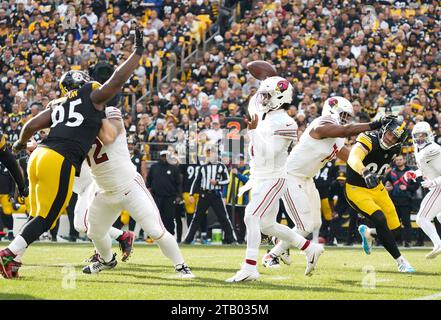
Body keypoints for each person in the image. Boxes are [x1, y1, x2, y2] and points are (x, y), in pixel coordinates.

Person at [0, 28, 146, 279]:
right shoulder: (92, 96)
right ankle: (9, 254)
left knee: (38, 215)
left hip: (39, 155)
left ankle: (14, 259)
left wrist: (20, 145)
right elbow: (118, 79)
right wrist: (137, 52)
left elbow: (30, 126)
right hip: (60, 159)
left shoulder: (58, 104)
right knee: (48, 218)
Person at [265, 96, 392, 267]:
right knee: (304, 226)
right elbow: (346, 130)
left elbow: (350, 157)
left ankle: (279, 241)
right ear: (332, 109)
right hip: (291, 176)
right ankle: (271, 256)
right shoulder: (322, 123)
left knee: (315, 223)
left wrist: (367, 171)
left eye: (348, 116)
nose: (345, 119)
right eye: (344, 114)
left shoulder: (337, 137)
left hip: (307, 179)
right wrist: (374, 125)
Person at [227, 76, 323, 282]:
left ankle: (249, 267)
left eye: (267, 95)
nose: (262, 99)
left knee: (250, 216)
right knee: (268, 226)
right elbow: (254, 102)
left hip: (273, 177)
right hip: (260, 177)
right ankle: (309, 247)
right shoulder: (265, 116)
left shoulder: (286, 122)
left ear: (279, 97)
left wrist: (253, 133)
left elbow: (269, 153)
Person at [83, 107, 194, 278]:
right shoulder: (77, 126)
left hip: (129, 187)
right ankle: (107, 260)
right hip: (105, 191)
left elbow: (109, 136)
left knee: (156, 230)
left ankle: (181, 266)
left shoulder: (108, 113)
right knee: (94, 232)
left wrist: (91, 116)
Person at [345, 117, 415, 273]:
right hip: (356, 188)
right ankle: (400, 261)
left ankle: (369, 233)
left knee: (395, 230)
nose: (390, 139)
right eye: (390, 133)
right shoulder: (368, 138)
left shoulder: (396, 149)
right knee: (380, 219)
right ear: (385, 129)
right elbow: (353, 158)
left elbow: (381, 164)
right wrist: (364, 172)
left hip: (377, 188)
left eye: (395, 138)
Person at [72, 161, 134, 263]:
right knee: (79, 225)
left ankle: (106, 256)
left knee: (85, 224)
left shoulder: (58, 149)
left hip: (92, 182)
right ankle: (122, 236)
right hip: (82, 189)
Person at [184, 147, 237, 245]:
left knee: (223, 217)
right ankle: (188, 240)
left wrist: (217, 182)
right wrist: (191, 194)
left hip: (216, 194)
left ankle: (232, 239)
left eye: (213, 153)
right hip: (204, 195)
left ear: (216, 155)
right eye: (209, 154)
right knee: (196, 218)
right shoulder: (203, 167)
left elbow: (227, 180)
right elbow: (196, 181)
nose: (211, 155)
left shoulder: (221, 166)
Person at [405, 121, 441, 259]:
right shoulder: (421, 149)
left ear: (429, 135)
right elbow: (425, 168)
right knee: (439, 217)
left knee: (422, 218)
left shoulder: (433, 149)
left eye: (423, 135)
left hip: (439, 186)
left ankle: (438, 244)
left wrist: (433, 182)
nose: (420, 138)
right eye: (417, 135)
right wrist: (415, 173)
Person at [384, 154, 419, 247]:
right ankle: (396, 241)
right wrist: (387, 187)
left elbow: (416, 186)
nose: (398, 161)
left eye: (400, 159)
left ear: (404, 160)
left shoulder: (410, 172)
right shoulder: (391, 172)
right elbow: (383, 182)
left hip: (406, 201)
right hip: (393, 201)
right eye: (397, 160)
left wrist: (407, 187)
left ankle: (407, 242)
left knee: (406, 223)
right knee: (394, 223)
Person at [147, 150, 182, 236]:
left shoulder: (174, 167)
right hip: (156, 197)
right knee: (156, 217)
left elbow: (179, 183)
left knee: (169, 218)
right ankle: (156, 235)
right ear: (160, 156)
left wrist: (178, 196)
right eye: (163, 156)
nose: (164, 158)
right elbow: (149, 180)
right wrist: (149, 191)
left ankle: (170, 235)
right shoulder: (154, 167)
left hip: (170, 198)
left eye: (166, 156)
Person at [224, 154, 250, 244]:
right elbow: (226, 184)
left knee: (243, 222)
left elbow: (248, 181)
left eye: (241, 160)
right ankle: (231, 238)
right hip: (230, 201)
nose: (240, 162)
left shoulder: (248, 171)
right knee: (230, 222)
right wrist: (224, 197)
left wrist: (237, 174)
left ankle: (241, 239)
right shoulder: (230, 171)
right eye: (238, 160)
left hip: (243, 202)